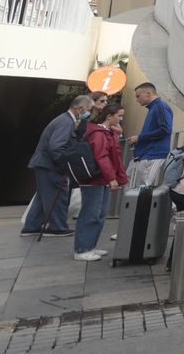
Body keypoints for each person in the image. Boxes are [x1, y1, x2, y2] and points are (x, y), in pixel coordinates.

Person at [21, 93, 90, 236]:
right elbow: (56, 146)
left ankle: (31, 227)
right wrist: (64, 165)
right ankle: (57, 227)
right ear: (79, 108)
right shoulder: (66, 122)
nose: (88, 114)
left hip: (44, 164)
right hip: (50, 165)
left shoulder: (63, 120)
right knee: (57, 196)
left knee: (43, 197)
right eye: (87, 110)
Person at [73, 104, 128, 261]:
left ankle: (89, 246)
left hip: (99, 178)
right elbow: (102, 157)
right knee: (91, 213)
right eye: (119, 116)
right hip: (96, 179)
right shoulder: (99, 133)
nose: (121, 119)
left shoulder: (104, 132)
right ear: (109, 116)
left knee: (98, 214)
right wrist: (113, 178)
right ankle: (82, 249)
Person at [125, 82, 173, 189]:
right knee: (136, 189)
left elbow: (165, 130)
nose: (137, 99)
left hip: (152, 154)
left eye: (138, 96)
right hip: (147, 154)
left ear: (148, 93)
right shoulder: (155, 107)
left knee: (142, 190)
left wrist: (139, 137)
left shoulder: (160, 106)